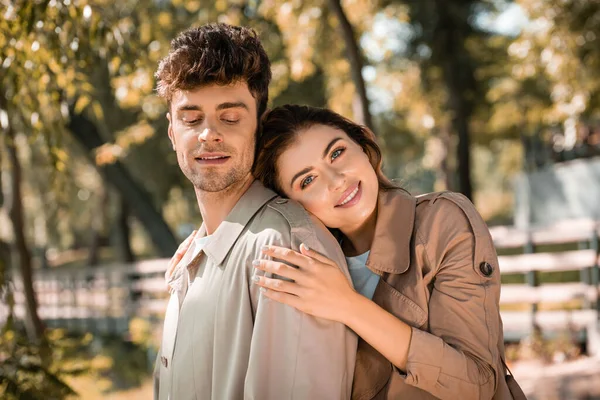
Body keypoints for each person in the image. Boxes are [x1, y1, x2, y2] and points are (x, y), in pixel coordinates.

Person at [171, 104, 521, 399]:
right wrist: (209, 236)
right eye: (307, 180)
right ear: (290, 204)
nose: (337, 180)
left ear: (362, 145)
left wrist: (349, 306)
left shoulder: (441, 221)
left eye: (337, 153)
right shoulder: (309, 256)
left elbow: (478, 382)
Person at [153, 25, 357, 400]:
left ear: (258, 128)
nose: (208, 134)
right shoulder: (190, 256)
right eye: (191, 118)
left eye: (230, 118)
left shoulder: (284, 252)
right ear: (171, 132)